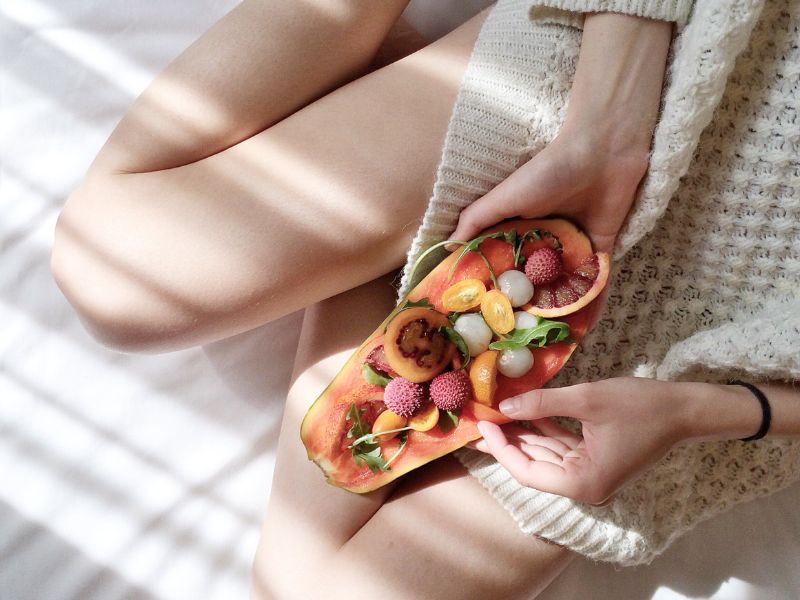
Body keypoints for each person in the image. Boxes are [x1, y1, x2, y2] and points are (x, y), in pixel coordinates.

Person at [50, 1, 799, 598]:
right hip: (642, 86)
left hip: (708, 356)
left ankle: (390, 255)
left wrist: (711, 412)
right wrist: (605, 134)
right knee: (115, 282)